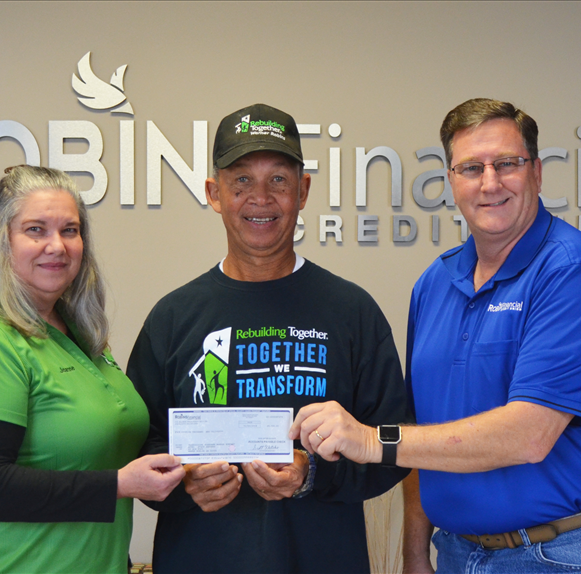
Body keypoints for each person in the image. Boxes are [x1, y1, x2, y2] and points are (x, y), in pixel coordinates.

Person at [290, 99, 581, 573]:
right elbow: (422, 431)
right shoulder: (434, 284)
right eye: (472, 168)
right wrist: (415, 551)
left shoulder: (574, 271)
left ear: (537, 172)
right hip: (458, 552)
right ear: (452, 181)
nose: (490, 183)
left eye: (507, 164)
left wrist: (372, 440)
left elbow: (530, 435)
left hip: (564, 553)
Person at [127, 103, 410, 574]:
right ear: (214, 194)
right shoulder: (172, 317)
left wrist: (314, 473)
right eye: (241, 181)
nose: (260, 198)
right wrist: (184, 481)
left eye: (278, 180)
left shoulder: (352, 311)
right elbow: (139, 445)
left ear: (303, 191)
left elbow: (393, 447)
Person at [0, 165, 185, 574]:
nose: (57, 246)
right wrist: (119, 484)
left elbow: (105, 445)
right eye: (35, 230)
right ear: (0, 239)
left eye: (70, 230)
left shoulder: (77, 333)